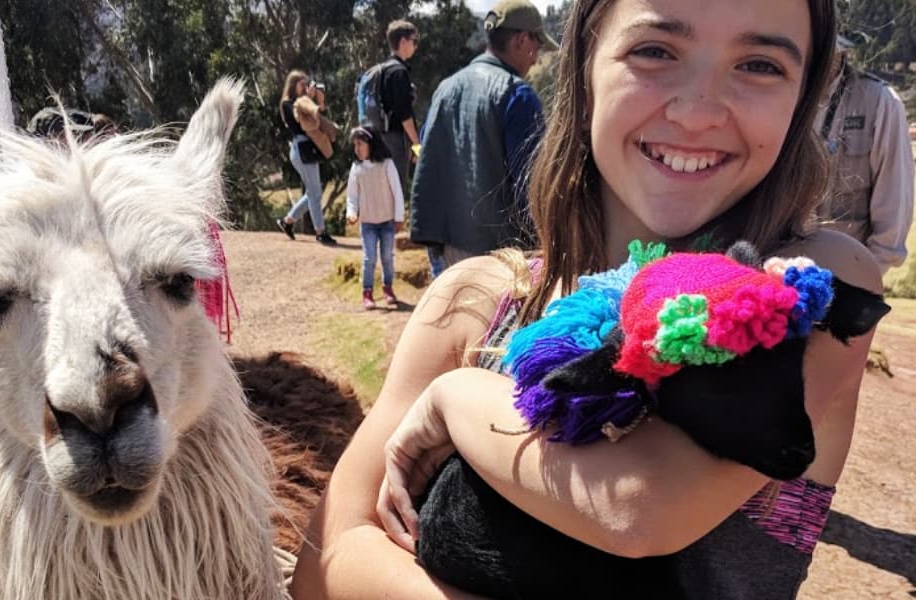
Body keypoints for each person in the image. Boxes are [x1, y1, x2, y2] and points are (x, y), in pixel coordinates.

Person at [291, 1, 885, 599]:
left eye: (759, 64)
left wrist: (453, 397)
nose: (699, 112)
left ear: (802, 96)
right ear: (584, 67)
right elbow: (328, 558)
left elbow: (638, 508)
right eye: (655, 51)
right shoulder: (474, 300)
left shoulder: (808, 286)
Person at [408, 0, 558, 270]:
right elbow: (531, 186)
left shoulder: (446, 88)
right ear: (521, 40)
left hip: (447, 248)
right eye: (537, 46)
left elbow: (428, 156)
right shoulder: (517, 95)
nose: (536, 58)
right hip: (499, 257)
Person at [814, 34, 914, 275]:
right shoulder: (778, 95)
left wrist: (864, 279)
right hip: (778, 274)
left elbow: (894, 204)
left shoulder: (881, 101)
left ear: (841, 52)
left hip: (849, 275)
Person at [346, 126, 405, 309]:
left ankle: (388, 289)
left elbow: (397, 191)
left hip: (387, 221)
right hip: (368, 223)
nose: (357, 148)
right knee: (369, 258)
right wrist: (352, 212)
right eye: (355, 145)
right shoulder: (356, 168)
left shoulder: (387, 164)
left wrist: (398, 217)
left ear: (371, 144)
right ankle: (367, 292)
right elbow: (352, 195)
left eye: (360, 144)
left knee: (387, 257)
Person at [277, 70, 338, 246]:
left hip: (308, 149)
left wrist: (320, 101)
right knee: (315, 192)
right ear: (293, 85)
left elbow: (318, 117)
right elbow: (301, 123)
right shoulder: (288, 104)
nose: (305, 87)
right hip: (300, 148)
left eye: (306, 84)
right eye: (302, 84)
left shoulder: (303, 102)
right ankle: (320, 232)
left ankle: (287, 221)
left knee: (313, 191)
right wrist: (309, 100)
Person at [373, 20, 421, 197]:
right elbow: (404, 114)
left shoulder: (383, 69)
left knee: (384, 191)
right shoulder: (399, 72)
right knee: (397, 192)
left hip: (381, 136)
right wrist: (417, 144)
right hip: (396, 140)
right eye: (413, 41)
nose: (415, 46)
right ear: (403, 42)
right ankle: (393, 225)